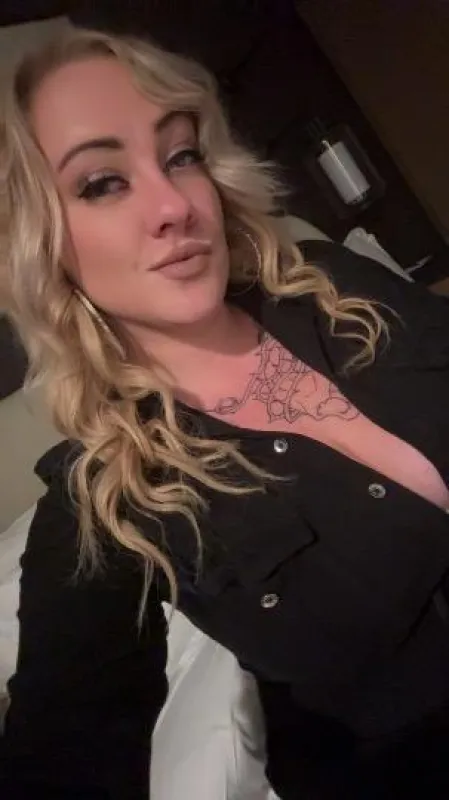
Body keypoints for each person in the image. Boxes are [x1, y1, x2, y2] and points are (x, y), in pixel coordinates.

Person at [1, 25, 449, 800]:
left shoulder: (327, 284)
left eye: (180, 156)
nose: (174, 206)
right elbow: (63, 743)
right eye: (102, 182)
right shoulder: (105, 502)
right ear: (41, 241)